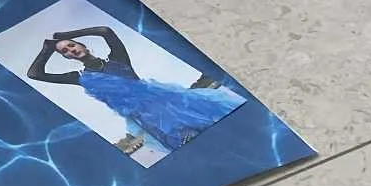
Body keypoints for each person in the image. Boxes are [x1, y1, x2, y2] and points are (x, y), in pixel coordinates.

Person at [27, 26, 244, 154]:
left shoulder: (118, 59)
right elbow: (35, 74)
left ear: (81, 45)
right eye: (65, 51)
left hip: (172, 102)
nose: (71, 50)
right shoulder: (80, 78)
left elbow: (105, 31)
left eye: (72, 45)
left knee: (221, 132)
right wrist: (47, 49)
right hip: (149, 120)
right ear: (66, 58)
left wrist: (67, 33)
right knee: (194, 148)